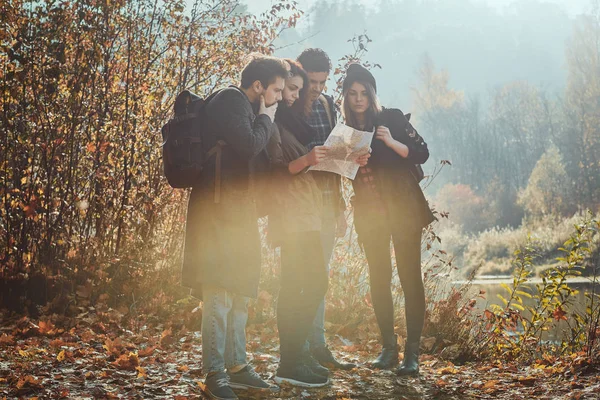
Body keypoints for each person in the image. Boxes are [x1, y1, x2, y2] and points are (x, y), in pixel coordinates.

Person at [181, 55, 287, 400]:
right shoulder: (230, 100)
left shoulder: (243, 106)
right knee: (218, 291)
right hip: (216, 211)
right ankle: (215, 374)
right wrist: (266, 118)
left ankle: (237, 367)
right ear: (258, 87)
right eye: (275, 90)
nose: (279, 98)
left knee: (241, 288)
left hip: (237, 210)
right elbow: (250, 144)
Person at [341, 63, 435, 375]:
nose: (358, 99)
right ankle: (388, 349)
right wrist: (352, 161)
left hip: (403, 210)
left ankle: (412, 355)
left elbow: (422, 152)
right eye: (352, 93)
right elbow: (341, 173)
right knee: (378, 279)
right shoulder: (345, 131)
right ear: (346, 96)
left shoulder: (391, 117)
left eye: (364, 93)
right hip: (370, 214)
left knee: (410, 279)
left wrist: (392, 142)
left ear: (372, 94)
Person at [296, 48, 357, 371]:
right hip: (299, 204)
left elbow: (336, 159)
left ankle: (318, 345)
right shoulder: (289, 104)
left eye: (322, 82)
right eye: (312, 81)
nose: (317, 87)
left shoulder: (327, 105)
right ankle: (299, 347)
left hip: (326, 200)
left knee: (321, 276)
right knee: (300, 278)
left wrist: (340, 207)